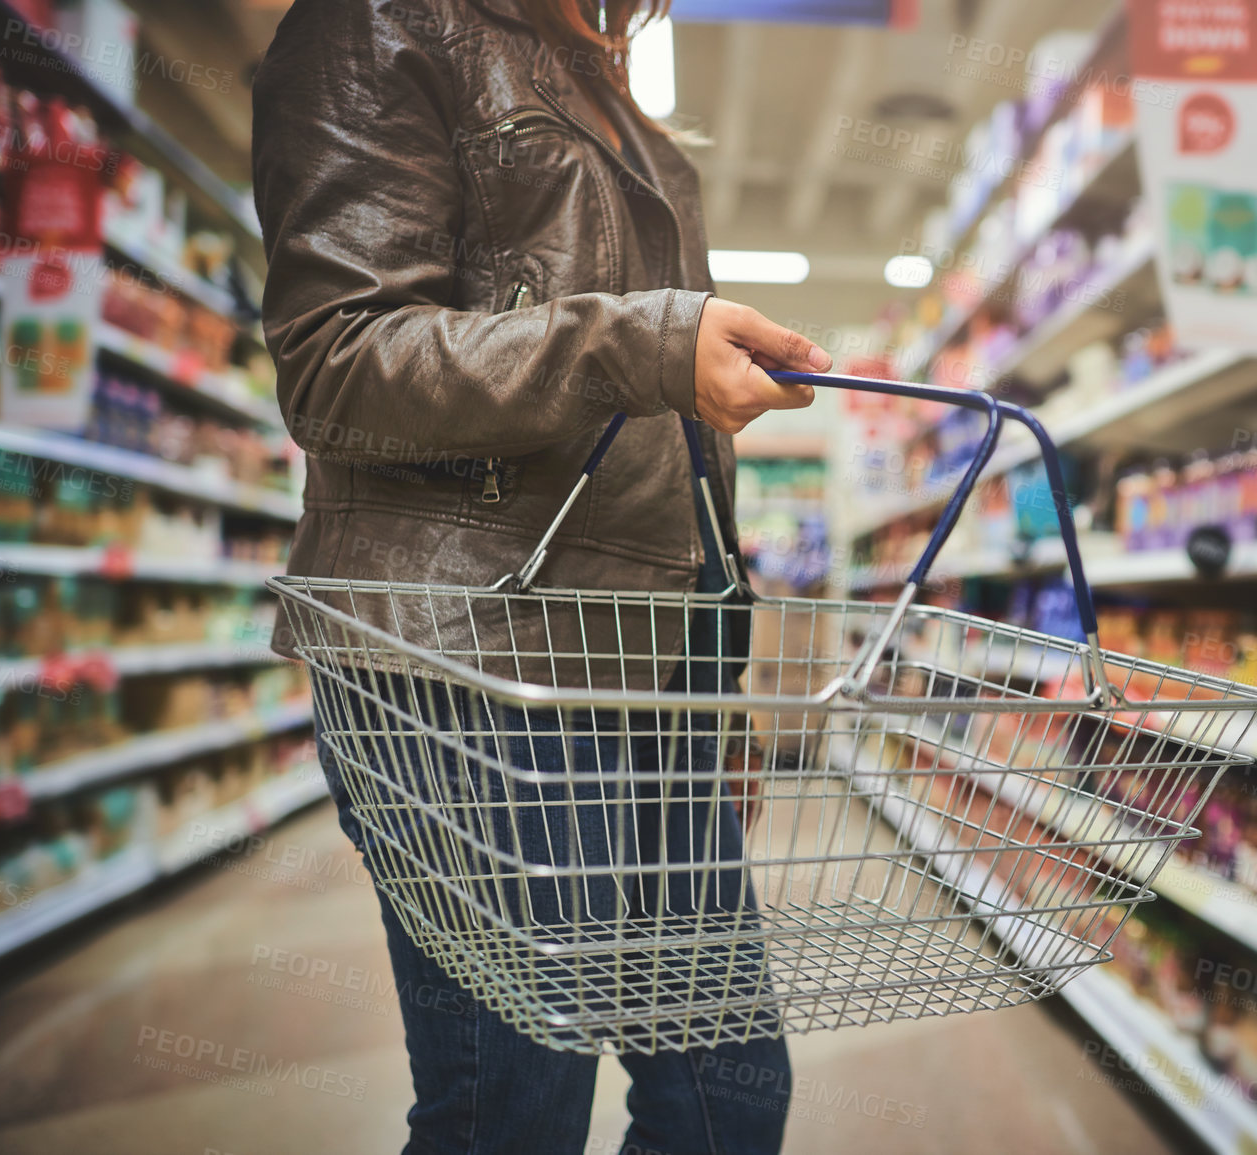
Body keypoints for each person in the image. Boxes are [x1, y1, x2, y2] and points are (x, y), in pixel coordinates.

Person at [250, 1, 829, 1152]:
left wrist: (713, 686)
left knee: (731, 1097)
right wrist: (645, 344)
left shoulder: (615, 97)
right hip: (469, 660)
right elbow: (334, 362)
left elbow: (663, 436)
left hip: (645, 670)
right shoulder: (379, 21)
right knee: (511, 1115)